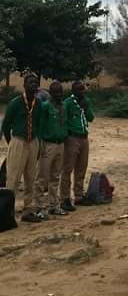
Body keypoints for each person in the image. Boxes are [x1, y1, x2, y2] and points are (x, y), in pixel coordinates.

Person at [1, 74, 45, 222]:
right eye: (30, 82)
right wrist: (12, 143)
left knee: (31, 178)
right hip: (18, 141)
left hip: (33, 142)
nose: (33, 85)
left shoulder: (38, 104)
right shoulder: (16, 103)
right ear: (24, 85)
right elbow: (6, 125)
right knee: (13, 178)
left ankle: (28, 210)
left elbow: (38, 125)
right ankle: (7, 213)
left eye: (35, 83)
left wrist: (37, 145)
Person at [34, 80, 69, 218]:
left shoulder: (64, 106)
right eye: (56, 93)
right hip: (48, 144)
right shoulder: (45, 106)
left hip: (61, 143)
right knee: (42, 176)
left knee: (55, 176)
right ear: (51, 93)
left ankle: (54, 205)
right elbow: (41, 126)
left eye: (61, 92)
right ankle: (39, 207)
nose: (59, 95)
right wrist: (40, 145)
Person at [60, 81, 94, 211]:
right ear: (73, 91)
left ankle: (79, 195)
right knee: (68, 168)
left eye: (83, 90)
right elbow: (64, 120)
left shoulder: (86, 102)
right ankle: (65, 198)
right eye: (79, 90)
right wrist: (66, 136)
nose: (82, 92)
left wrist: (86, 108)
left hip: (84, 137)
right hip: (72, 137)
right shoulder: (68, 103)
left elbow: (91, 118)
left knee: (81, 167)